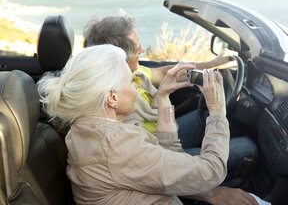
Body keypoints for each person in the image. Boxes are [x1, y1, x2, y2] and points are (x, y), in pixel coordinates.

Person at [37, 44, 261, 205]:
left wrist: (163, 97)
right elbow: (211, 171)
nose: (136, 87)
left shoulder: (87, 127)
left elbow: (167, 158)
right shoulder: (117, 145)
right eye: (130, 81)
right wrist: (217, 112)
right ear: (112, 97)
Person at [83, 15, 258, 186]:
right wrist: (217, 110)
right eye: (138, 49)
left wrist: (213, 63)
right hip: (155, 152)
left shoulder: (132, 74)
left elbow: (168, 149)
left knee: (207, 116)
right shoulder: (115, 122)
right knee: (246, 147)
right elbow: (165, 172)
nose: (143, 50)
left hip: (161, 141)